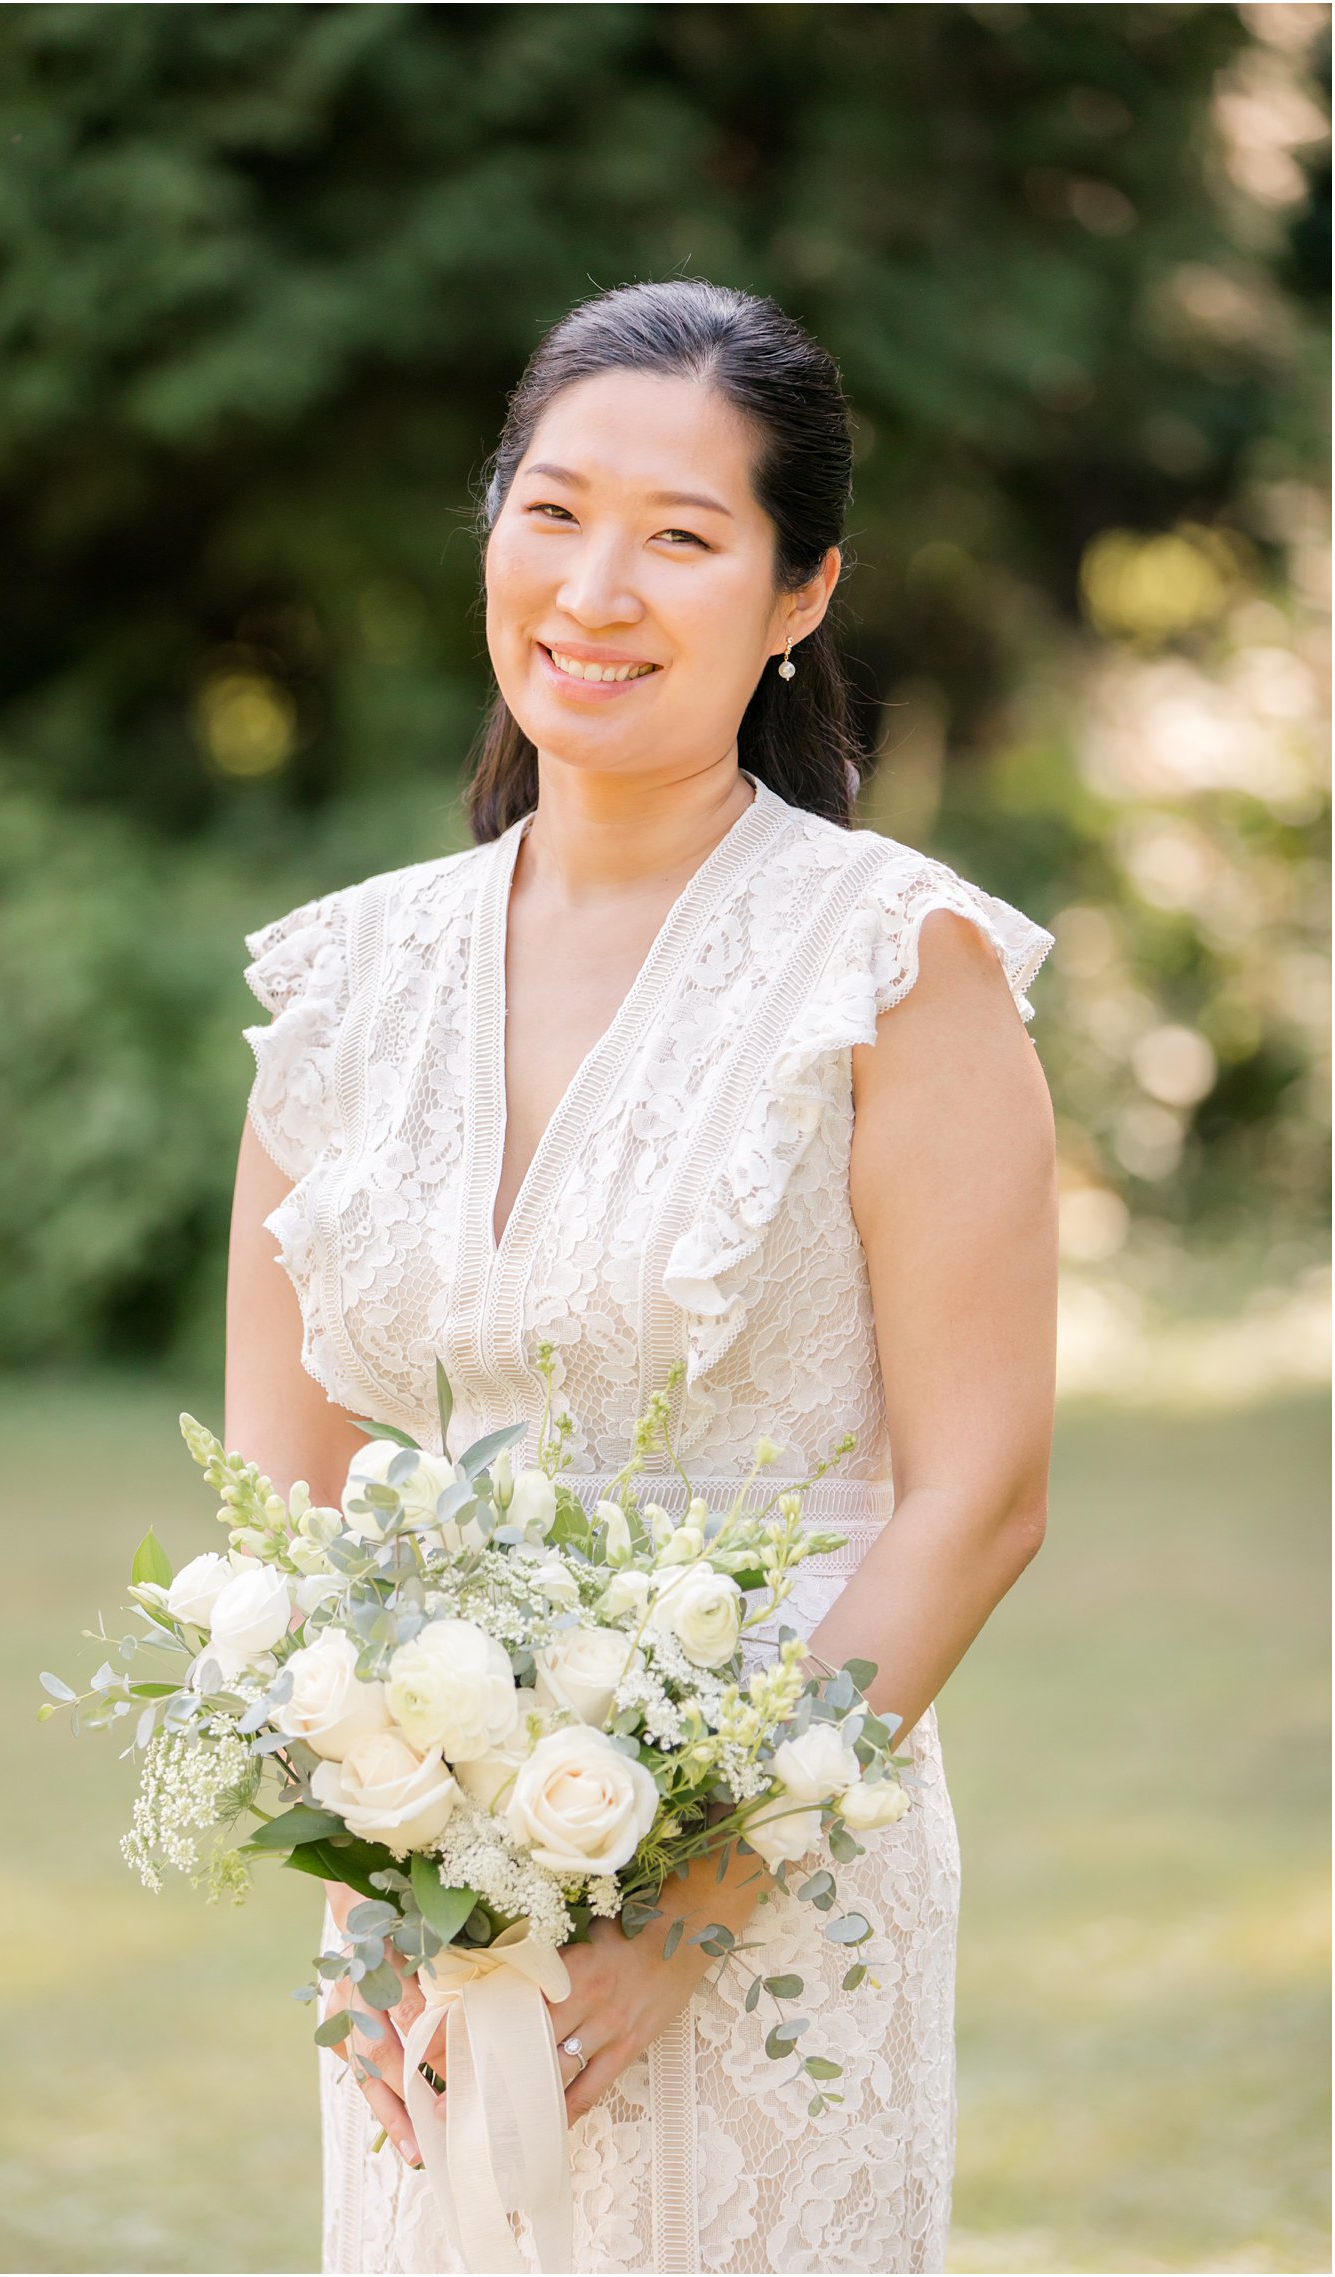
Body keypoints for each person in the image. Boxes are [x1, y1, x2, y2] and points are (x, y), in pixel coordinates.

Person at [225, 278, 1058, 2276]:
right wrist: (367, 1881)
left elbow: (979, 1497)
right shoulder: (337, 979)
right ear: (494, 526)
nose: (596, 587)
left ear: (797, 594)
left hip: (775, 1899)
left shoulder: (892, 966)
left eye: (681, 537)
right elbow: (281, 1505)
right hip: (426, 1905)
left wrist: (678, 1923)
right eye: (552, 510)